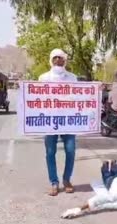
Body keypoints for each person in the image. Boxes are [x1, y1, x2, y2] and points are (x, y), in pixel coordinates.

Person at [39, 48, 78, 196]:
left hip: (68, 121)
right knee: (50, 153)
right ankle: (54, 183)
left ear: (64, 61)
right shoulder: (43, 78)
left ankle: (67, 180)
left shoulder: (72, 78)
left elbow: (79, 96)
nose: (58, 60)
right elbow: (37, 98)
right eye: (55, 58)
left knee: (70, 151)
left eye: (60, 58)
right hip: (50, 121)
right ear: (51, 60)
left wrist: (96, 90)